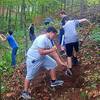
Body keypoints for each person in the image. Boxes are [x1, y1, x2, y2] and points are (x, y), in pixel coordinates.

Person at [21, 26, 67, 99]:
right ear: (50, 32)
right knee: (29, 76)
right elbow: (41, 52)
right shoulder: (42, 39)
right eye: (54, 35)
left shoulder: (50, 40)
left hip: (42, 57)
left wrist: (60, 62)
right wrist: (51, 50)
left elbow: (53, 52)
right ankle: (25, 92)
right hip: (34, 59)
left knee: (53, 64)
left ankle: (53, 81)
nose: (54, 37)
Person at [59, 11, 91, 76]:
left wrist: (61, 45)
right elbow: (83, 19)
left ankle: (70, 70)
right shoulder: (73, 21)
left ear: (64, 21)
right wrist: (89, 22)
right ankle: (75, 60)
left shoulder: (63, 26)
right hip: (75, 39)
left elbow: (62, 36)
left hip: (68, 41)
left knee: (69, 55)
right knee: (75, 50)